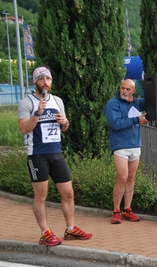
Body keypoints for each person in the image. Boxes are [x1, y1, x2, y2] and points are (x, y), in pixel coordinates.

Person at [17, 66, 92, 247]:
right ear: (35, 82)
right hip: (37, 155)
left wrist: (65, 123)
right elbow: (23, 130)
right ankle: (45, 233)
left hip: (56, 153)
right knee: (41, 196)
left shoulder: (57, 101)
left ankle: (71, 228)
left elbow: (63, 127)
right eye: (41, 79)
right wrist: (37, 114)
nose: (45, 82)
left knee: (68, 193)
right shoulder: (27, 103)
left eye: (48, 79)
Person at [104, 79, 148, 224]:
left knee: (131, 178)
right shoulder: (113, 104)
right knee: (122, 177)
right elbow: (115, 124)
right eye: (122, 88)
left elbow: (152, 102)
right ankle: (116, 211)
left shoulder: (137, 102)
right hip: (120, 146)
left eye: (128, 89)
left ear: (133, 91)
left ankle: (127, 209)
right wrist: (137, 120)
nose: (124, 91)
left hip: (136, 145)